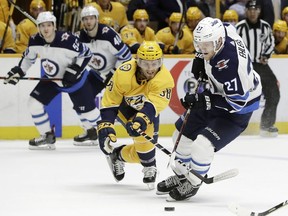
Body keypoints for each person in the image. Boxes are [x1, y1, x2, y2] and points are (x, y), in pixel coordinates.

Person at [156, 17, 262, 201]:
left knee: (202, 146)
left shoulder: (231, 68)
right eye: (199, 44)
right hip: (217, 94)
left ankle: (193, 182)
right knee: (180, 136)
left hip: (236, 111)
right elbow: (223, 24)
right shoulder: (222, 32)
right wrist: (199, 56)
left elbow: (237, 102)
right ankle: (182, 176)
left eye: (206, 46)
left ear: (219, 42)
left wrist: (204, 101)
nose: (202, 48)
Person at [3, 11, 100, 150]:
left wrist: (76, 69)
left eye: (49, 25)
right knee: (33, 103)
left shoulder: (68, 40)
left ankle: (102, 133)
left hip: (74, 81)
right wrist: (19, 71)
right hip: (51, 80)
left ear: (54, 26)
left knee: (88, 112)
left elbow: (86, 54)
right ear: (38, 27)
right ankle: (47, 136)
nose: (46, 29)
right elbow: (28, 58)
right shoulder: (35, 40)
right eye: (42, 26)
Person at [97, 41, 174, 189]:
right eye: (145, 64)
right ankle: (150, 166)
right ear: (138, 61)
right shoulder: (123, 72)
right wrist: (106, 125)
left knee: (144, 152)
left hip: (148, 109)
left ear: (161, 61)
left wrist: (141, 119)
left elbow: (153, 106)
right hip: (125, 107)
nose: (151, 69)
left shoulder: (164, 79)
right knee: (145, 146)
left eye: (155, 63)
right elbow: (111, 101)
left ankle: (118, 155)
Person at [73, 5, 132, 146]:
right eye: (85, 19)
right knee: (80, 98)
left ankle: (138, 127)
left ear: (97, 19)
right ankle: (90, 131)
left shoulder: (108, 34)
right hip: (97, 74)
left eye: (91, 18)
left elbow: (127, 56)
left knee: (124, 105)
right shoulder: (80, 37)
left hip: (116, 74)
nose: (88, 22)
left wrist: (113, 73)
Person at [236, 0, 280, 137]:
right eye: (250, 9)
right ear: (246, 11)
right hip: (245, 67)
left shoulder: (265, 27)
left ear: (259, 11)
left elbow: (271, 43)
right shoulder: (239, 27)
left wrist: (266, 55)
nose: (253, 12)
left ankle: (266, 125)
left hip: (261, 66)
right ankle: (233, 125)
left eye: (256, 9)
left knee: (274, 93)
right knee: (238, 96)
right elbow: (235, 45)